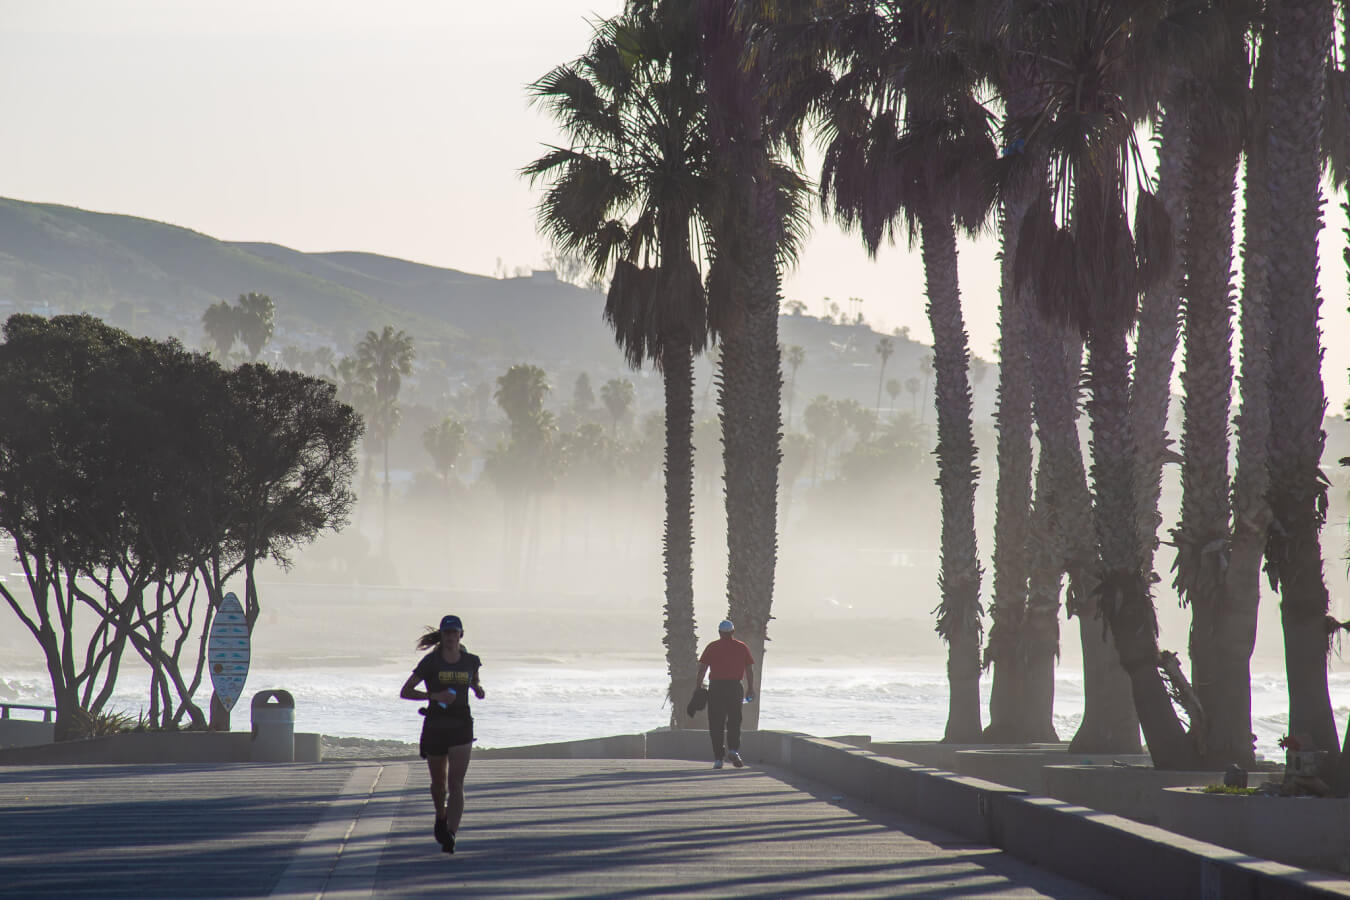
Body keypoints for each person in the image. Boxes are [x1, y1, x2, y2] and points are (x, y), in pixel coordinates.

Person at [400, 614, 484, 854]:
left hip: (462, 726)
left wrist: (477, 689)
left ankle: (451, 834)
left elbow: (474, 681)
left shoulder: (471, 661)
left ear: (461, 634)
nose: (450, 637)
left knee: (456, 783)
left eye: (454, 633)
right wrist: (434, 696)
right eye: (446, 633)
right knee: (439, 785)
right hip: (436, 726)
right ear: (442, 636)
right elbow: (405, 691)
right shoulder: (431, 663)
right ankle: (440, 816)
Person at [696, 619, 755, 769]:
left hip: (716, 688)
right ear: (733, 632)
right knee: (735, 720)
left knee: (716, 723)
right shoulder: (742, 647)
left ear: (719, 633)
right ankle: (734, 750)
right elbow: (749, 669)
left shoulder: (712, 647)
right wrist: (750, 688)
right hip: (735, 687)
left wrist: (698, 687)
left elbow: (702, 668)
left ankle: (718, 758)